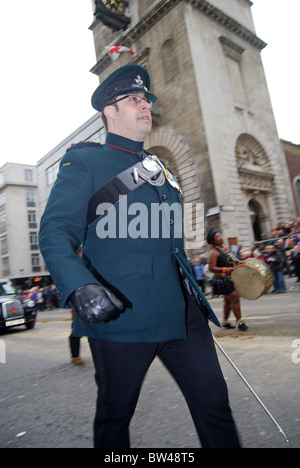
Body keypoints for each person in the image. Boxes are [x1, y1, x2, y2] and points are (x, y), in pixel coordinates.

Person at [39, 64, 241, 449]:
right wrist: (78, 283)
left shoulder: (161, 168)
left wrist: (224, 259)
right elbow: (54, 231)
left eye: (145, 97)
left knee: (215, 403)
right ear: (110, 112)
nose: (144, 104)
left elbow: (172, 241)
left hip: (182, 313)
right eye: (133, 99)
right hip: (121, 314)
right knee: (115, 417)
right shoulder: (84, 162)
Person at [207, 229, 248, 331]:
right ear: (213, 241)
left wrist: (240, 262)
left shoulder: (224, 249)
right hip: (221, 280)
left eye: (220, 236)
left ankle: (225, 321)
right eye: (217, 237)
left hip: (228, 278)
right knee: (235, 298)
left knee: (228, 301)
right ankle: (240, 322)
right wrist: (225, 269)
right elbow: (211, 268)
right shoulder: (214, 253)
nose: (220, 238)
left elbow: (233, 259)